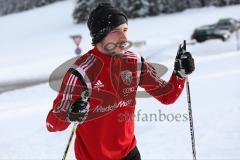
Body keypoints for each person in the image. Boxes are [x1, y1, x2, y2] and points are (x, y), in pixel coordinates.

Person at [46, 3, 195, 160]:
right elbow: (51, 124)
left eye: (125, 30)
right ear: (100, 35)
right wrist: (70, 115)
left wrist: (179, 74)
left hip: (130, 154)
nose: (124, 38)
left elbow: (167, 96)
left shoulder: (134, 62)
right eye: (116, 31)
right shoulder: (81, 72)